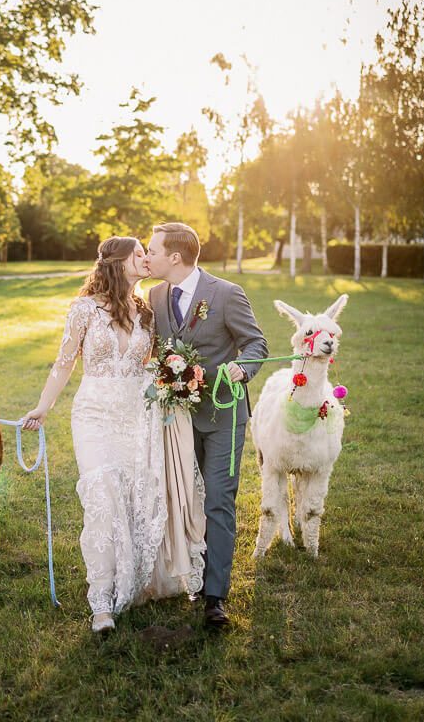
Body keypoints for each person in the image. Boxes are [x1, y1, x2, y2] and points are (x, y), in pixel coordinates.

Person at [21, 236, 205, 633]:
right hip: (94, 415)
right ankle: (101, 603)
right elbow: (64, 362)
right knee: (102, 497)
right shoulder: (83, 309)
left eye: (147, 253)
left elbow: (153, 362)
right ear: (117, 262)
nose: (145, 259)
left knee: (137, 497)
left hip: (138, 416)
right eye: (139, 254)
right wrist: (43, 407)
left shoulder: (147, 311)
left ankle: (137, 579)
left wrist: (176, 376)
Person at [146, 222, 268, 628]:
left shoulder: (226, 293)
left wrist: (243, 367)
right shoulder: (156, 295)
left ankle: (214, 595)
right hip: (176, 420)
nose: (148, 256)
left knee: (217, 499)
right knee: (183, 500)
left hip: (222, 416)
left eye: (153, 249)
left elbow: (256, 344)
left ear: (175, 257)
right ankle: (188, 572)